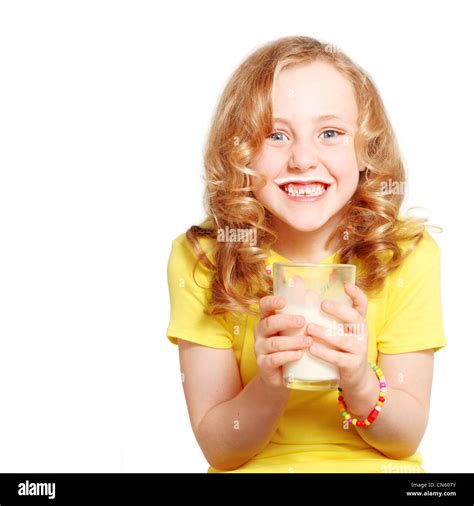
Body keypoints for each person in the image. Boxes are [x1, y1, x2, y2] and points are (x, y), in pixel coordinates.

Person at [166, 35, 446, 473]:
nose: (302, 159)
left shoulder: (404, 255)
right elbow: (221, 448)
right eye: (275, 135)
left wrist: (359, 381)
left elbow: (405, 436)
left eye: (330, 133)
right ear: (239, 150)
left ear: (366, 148)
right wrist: (271, 382)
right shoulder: (206, 258)